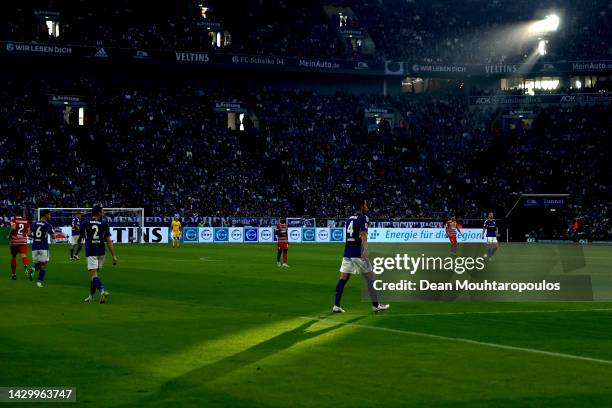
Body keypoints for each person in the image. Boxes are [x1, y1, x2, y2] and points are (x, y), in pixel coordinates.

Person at [333, 197, 389, 313]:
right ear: (361, 206)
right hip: (358, 253)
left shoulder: (349, 219)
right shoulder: (364, 218)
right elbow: (363, 234)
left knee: (343, 278)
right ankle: (376, 305)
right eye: (365, 204)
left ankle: (336, 305)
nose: (367, 206)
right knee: (371, 278)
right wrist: (365, 249)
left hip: (347, 252)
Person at [80, 205, 117, 303]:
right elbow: (109, 241)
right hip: (101, 252)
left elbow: (81, 236)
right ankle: (91, 297)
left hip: (91, 252)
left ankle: (102, 291)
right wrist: (113, 255)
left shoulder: (86, 223)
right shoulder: (104, 224)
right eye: (103, 211)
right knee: (95, 276)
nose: (104, 213)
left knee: (93, 276)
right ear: (99, 213)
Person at [30, 210, 56, 287]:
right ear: (45, 215)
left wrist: (34, 237)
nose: (50, 216)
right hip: (43, 247)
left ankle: (33, 269)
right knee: (43, 265)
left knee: (37, 263)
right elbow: (53, 236)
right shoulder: (48, 225)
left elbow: (28, 234)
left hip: (35, 246)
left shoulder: (34, 224)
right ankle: (39, 282)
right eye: (49, 215)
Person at [8, 206, 34, 280]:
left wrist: (9, 235)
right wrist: (32, 236)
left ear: (15, 213)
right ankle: (25, 265)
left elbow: (13, 228)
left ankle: (13, 275)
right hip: (23, 241)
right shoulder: (26, 220)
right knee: (24, 256)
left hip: (14, 241)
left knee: (13, 257)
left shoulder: (13, 220)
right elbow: (29, 233)